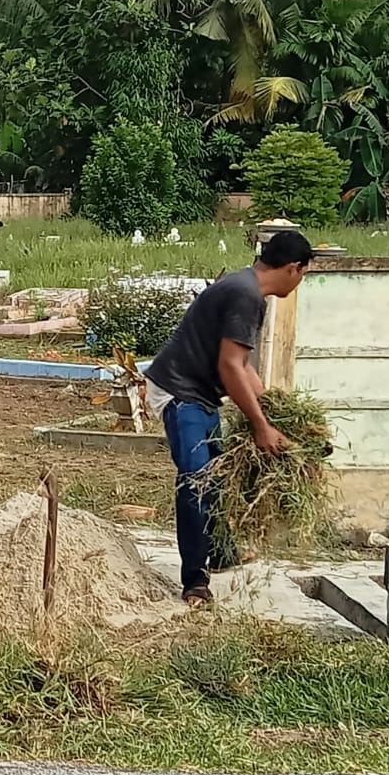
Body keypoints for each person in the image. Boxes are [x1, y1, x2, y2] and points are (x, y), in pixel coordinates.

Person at [144, 230, 314, 607]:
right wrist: (260, 426)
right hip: (178, 390)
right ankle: (194, 582)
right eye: (303, 274)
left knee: (217, 476)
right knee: (196, 482)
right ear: (293, 268)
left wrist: (271, 407)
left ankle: (220, 552)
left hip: (199, 394)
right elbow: (229, 366)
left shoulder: (248, 289)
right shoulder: (245, 294)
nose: (300, 281)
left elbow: (244, 366)